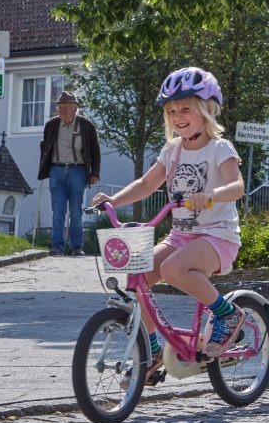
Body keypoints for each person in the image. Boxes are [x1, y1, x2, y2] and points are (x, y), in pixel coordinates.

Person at [91, 67, 245, 384]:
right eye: (172, 111)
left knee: (174, 268)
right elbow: (147, 183)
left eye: (186, 108)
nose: (178, 116)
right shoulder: (172, 150)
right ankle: (153, 350)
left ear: (207, 109)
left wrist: (210, 195)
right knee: (138, 279)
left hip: (218, 237)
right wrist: (114, 201)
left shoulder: (220, 148)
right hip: (181, 236)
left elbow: (237, 187)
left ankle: (227, 315)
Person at [38, 90, 101, 256]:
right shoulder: (51, 125)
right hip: (56, 171)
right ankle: (57, 247)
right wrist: (45, 168)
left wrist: (94, 172)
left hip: (77, 171)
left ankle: (77, 247)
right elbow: (44, 147)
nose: (61, 110)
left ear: (75, 109)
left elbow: (95, 151)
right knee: (58, 210)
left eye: (65, 107)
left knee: (76, 210)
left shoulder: (86, 126)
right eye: (60, 106)